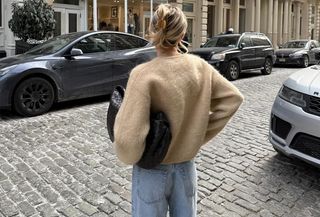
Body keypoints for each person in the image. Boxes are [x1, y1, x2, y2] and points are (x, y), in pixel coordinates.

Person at [113, 4, 243, 217]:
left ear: (152, 31)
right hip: (186, 169)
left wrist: (129, 155)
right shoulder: (199, 67)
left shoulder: (143, 75)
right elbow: (233, 99)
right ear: (183, 33)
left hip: (151, 171)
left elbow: (127, 142)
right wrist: (197, 135)